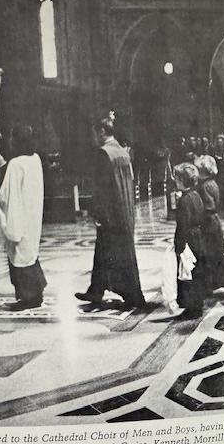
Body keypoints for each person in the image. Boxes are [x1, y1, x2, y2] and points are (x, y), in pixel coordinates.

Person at [75, 112, 146, 309]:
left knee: (116, 254)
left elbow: (103, 189)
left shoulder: (104, 153)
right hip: (124, 211)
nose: (94, 136)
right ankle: (95, 291)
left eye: (96, 132)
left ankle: (133, 295)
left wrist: (99, 214)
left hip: (111, 214)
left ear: (102, 131)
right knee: (105, 252)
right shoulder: (122, 152)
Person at [0, 126, 47, 311]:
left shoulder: (16, 164)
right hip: (32, 215)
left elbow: (7, 193)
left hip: (19, 216)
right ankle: (36, 293)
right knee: (29, 253)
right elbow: (16, 173)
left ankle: (27, 298)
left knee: (19, 255)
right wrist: (1, 162)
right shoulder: (35, 159)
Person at [194, 155, 224, 294]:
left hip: (208, 223)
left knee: (215, 255)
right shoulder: (212, 183)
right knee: (213, 255)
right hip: (214, 221)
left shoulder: (204, 186)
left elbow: (209, 206)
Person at [173, 163, 206, 319]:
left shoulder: (184, 200)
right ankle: (198, 304)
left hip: (188, 238)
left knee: (187, 272)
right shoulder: (196, 195)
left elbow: (182, 224)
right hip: (198, 235)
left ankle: (191, 308)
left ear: (181, 180)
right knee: (197, 271)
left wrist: (179, 244)